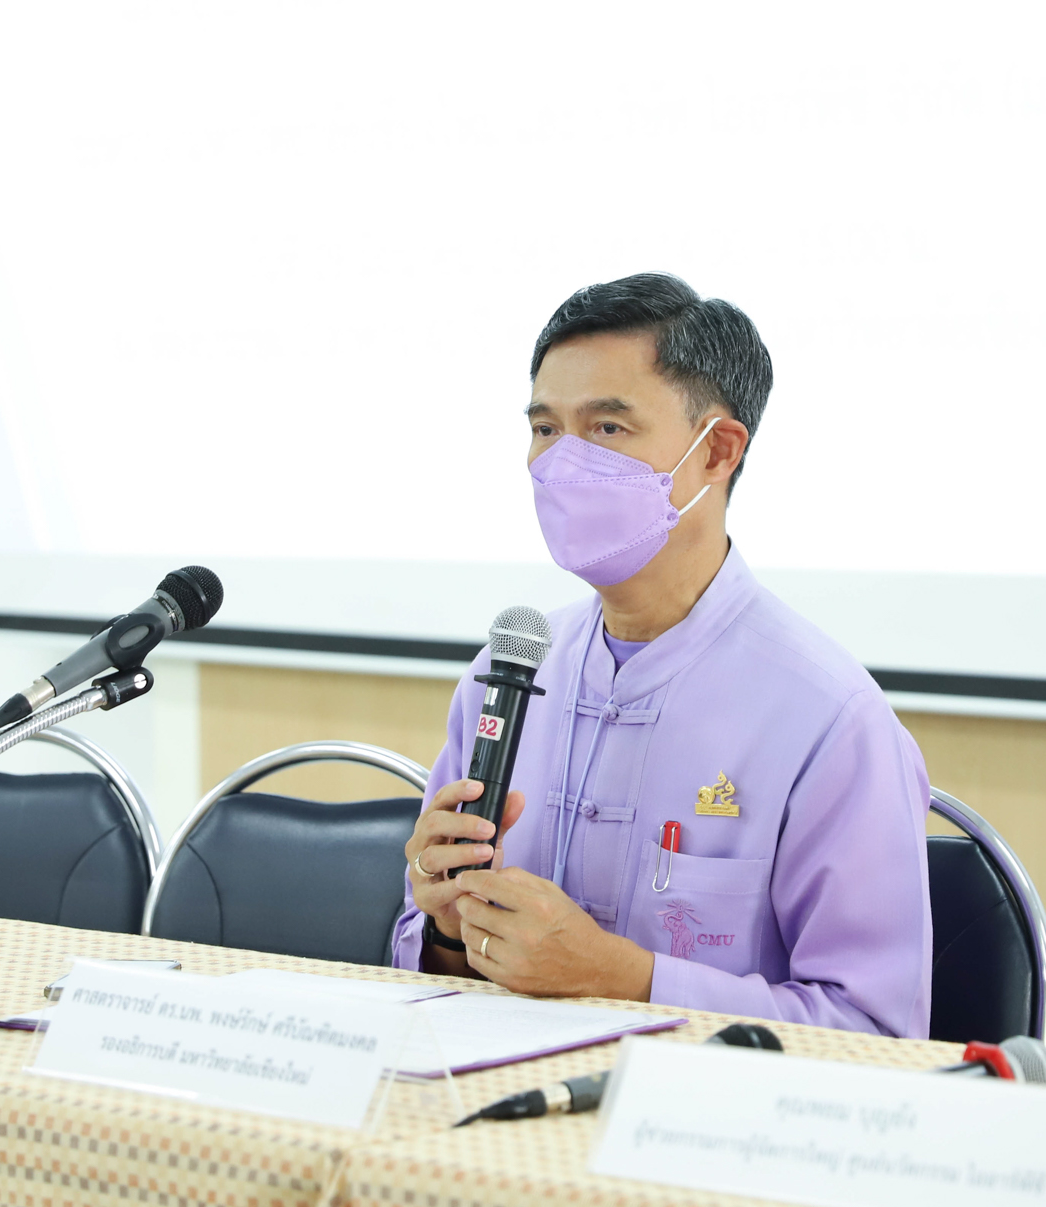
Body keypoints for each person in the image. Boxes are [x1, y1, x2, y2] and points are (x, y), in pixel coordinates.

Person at [392, 273, 933, 1037]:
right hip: (499, 1092)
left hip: (707, 1108)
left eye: (607, 429)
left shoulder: (828, 718)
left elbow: (877, 1033)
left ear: (717, 451)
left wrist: (624, 980)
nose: (562, 463)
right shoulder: (504, 676)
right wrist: (447, 930)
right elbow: (425, 975)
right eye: (545, 429)